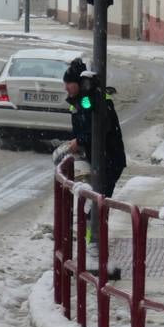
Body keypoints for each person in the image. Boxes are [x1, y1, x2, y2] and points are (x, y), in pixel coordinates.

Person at [63, 57, 126, 247]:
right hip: (99, 160)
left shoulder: (90, 101)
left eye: (68, 84)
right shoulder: (80, 101)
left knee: (97, 206)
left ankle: (92, 245)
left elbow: (98, 129)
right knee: (95, 204)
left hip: (108, 160)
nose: (65, 88)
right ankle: (92, 242)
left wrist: (80, 141)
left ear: (78, 84)